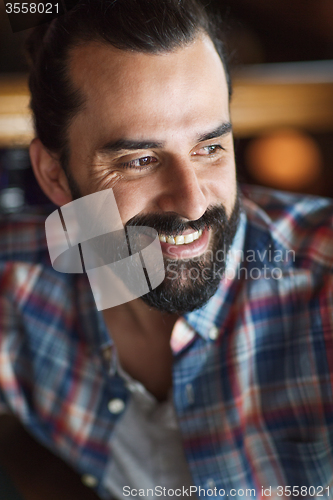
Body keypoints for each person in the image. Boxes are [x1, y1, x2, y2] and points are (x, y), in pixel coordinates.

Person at [1, 0, 333, 498]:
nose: (193, 202)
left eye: (210, 148)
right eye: (139, 159)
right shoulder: (19, 282)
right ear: (54, 175)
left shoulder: (321, 282)